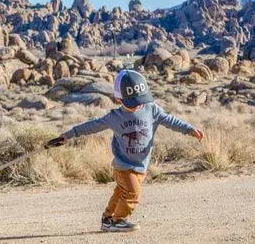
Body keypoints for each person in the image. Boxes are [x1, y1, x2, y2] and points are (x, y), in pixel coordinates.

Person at [46, 69, 204, 232]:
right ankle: (119, 219)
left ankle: (108, 219)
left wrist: (189, 129)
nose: (138, 104)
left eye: (140, 100)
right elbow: (91, 126)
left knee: (121, 192)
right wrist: (68, 135)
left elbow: (170, 120)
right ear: (118, 99)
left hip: (141, 165)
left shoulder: (152, 109)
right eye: (132, 102)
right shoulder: (114, 117)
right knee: (132, 194)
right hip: (123, 166)